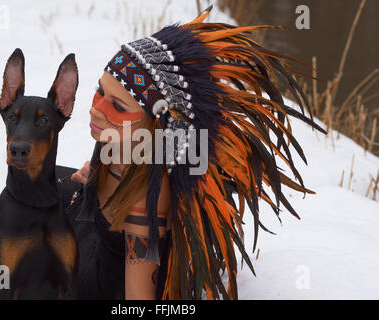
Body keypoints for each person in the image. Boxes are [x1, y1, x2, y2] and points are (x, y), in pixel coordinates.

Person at [56, 6, 325, 300]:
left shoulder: (145, 206)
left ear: (156, 125)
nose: (97, 107)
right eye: (100, 90)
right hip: (91, 244)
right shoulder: (120, 143)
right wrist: (95, 181)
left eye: (118, 106)